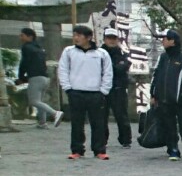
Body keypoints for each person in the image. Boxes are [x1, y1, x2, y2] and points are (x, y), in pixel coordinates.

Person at [57, 24, 113, 160]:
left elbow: (108, 73)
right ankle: (77, 150)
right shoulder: (69, 51)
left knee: (98, 123)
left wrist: (103, 91)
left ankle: (99, 150)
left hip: (95, 93)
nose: (76, 38)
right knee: (77, 123)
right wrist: (67, 88)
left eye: (79, 35)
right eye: (74, 35)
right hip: (75, 92)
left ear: (88, 37)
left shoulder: (101, 54)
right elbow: (63, 70)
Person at [151, 29, 182, 160]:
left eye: (165, 38)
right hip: (164, 99)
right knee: (169, 126)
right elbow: (156, 76)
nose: (162, 41)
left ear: (172, 41)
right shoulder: (162, 57)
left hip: (181, 100)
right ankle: (173, 149)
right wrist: (154, 94)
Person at [16, 27, 56, 127]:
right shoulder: (39, 48)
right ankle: (42, 123)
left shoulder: (26, 47)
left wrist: (21, 77)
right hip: (45, 78)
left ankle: (55, 113)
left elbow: (24, 63)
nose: (20, 37)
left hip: (35, 77)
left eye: (22, 35)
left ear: (30, 37)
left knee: (34, 101)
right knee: (40, 101)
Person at [102, 30, 132, 147]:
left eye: (113, 38)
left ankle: (125, 140)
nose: (111, 40)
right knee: (101, 117)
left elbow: (122, 68)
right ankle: (102, 140)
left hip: (118, 88)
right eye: (109, 38)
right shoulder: (98, 53)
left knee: (121, 115)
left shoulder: (122, 53)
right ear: (104, 39)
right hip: (102, 89)